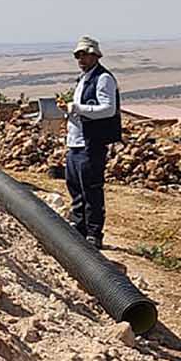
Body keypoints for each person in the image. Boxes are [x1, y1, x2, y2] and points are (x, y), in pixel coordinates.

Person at [57, 35, 122, 250]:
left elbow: (108, 109)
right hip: (75, 142)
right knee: (75, 187)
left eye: (85, 55)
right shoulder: (83, 79)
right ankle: (80, 228)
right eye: (78, 56)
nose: (81, 60)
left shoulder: (103, 79)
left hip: (91, 142)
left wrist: (77, 109)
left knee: (91, 190)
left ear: (95, 56)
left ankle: (94, 234)